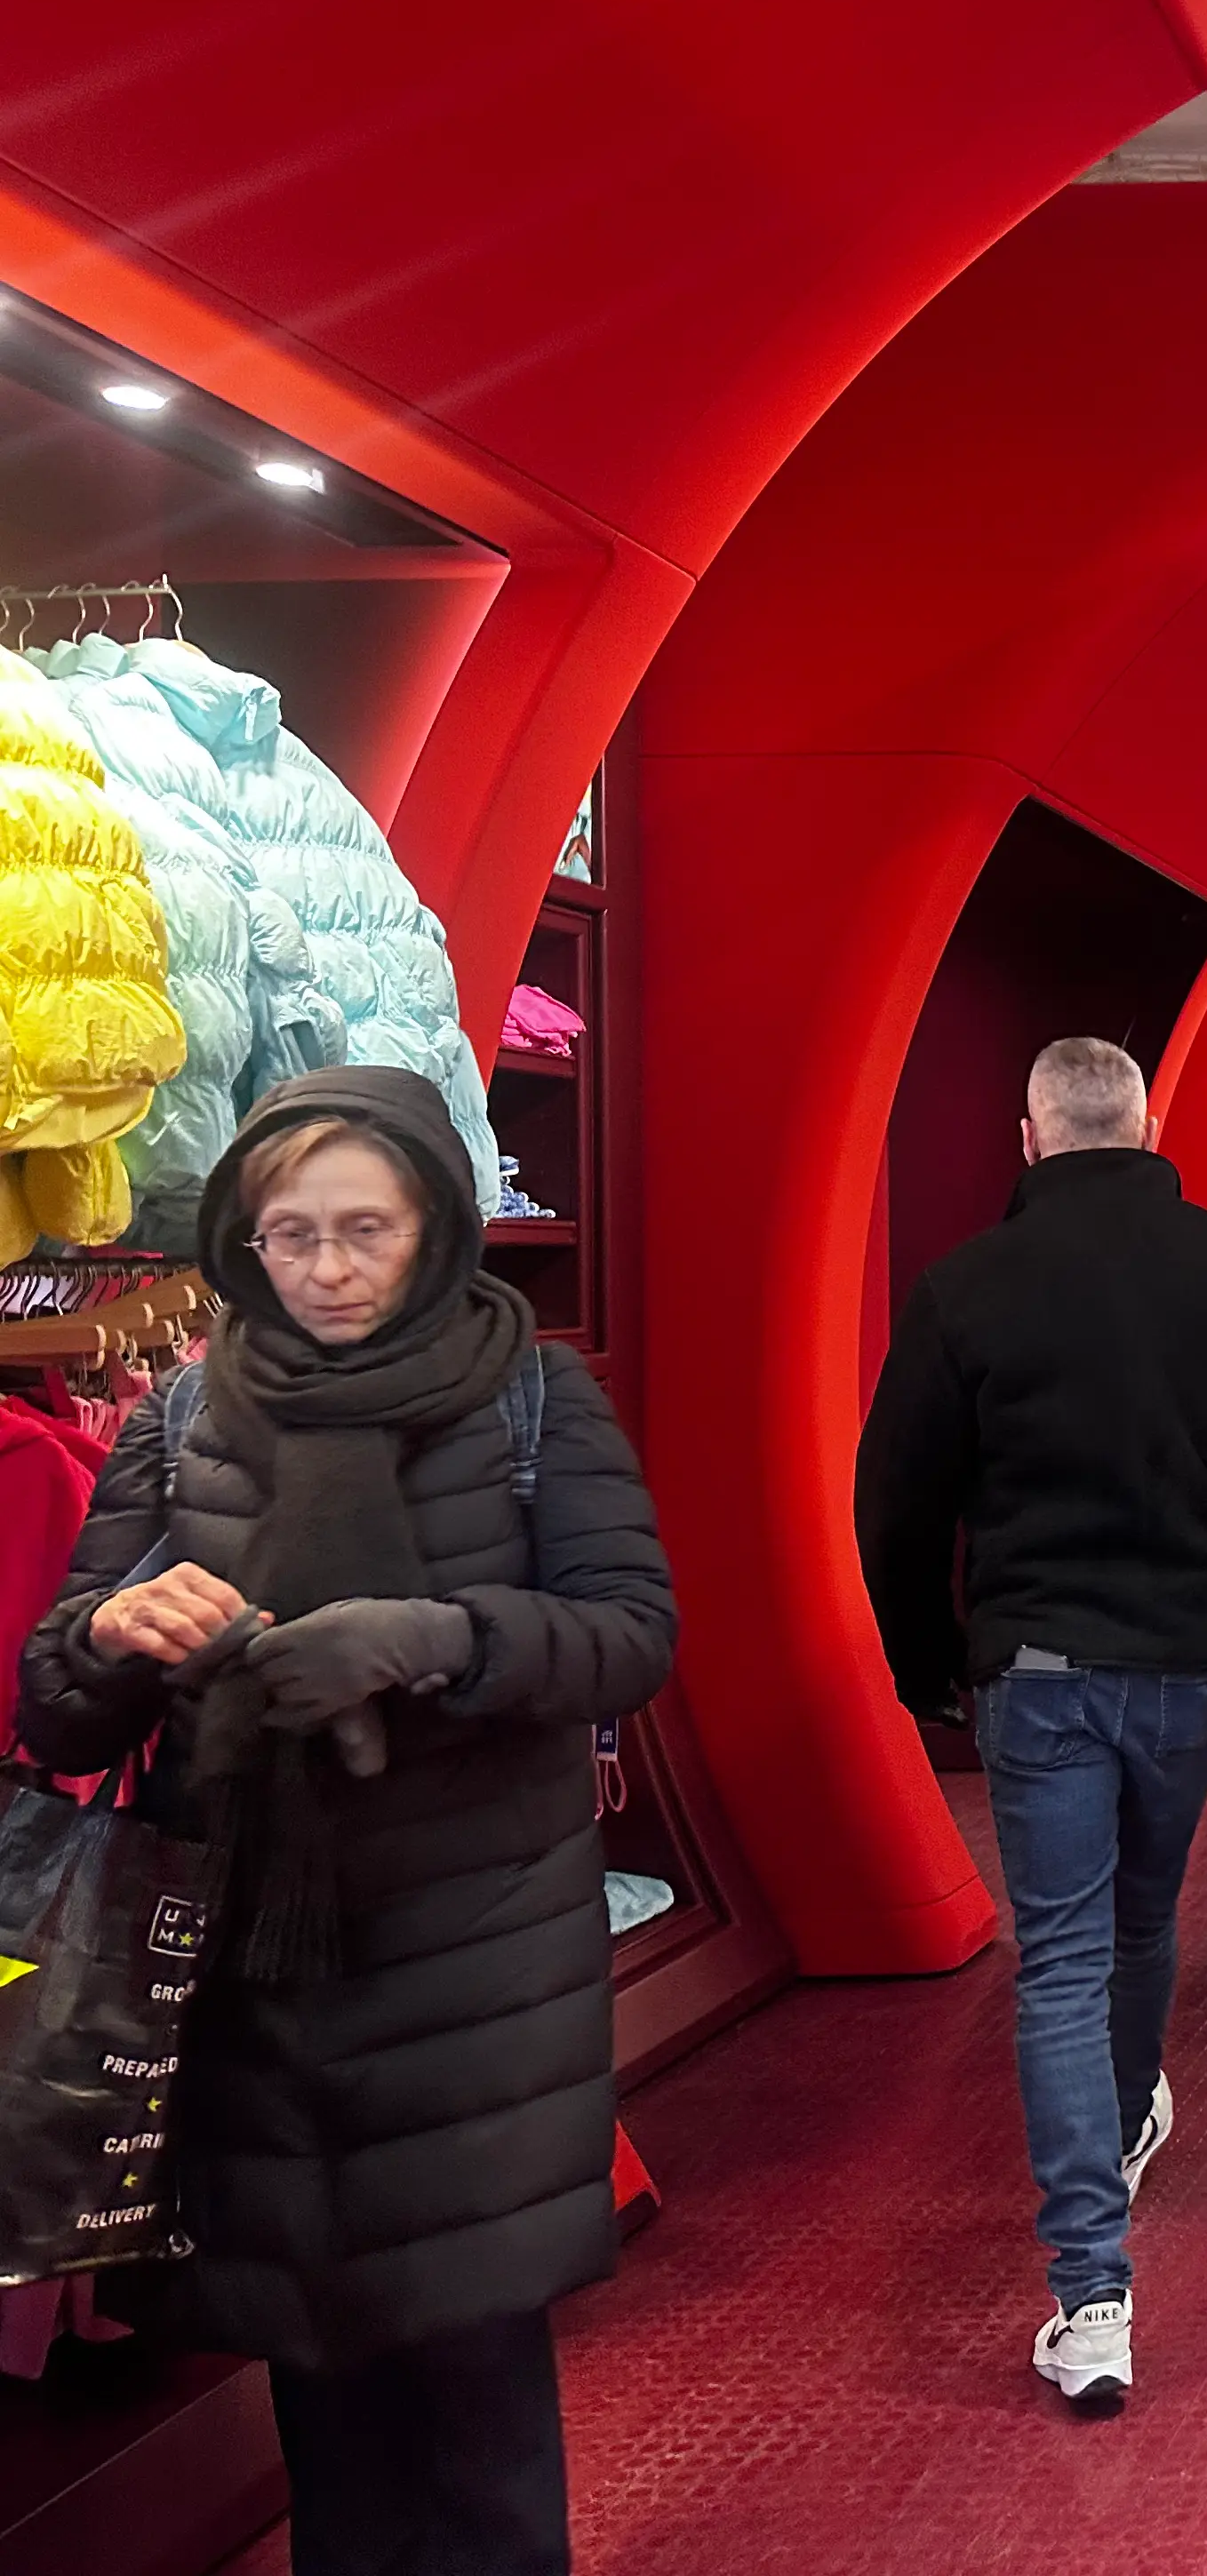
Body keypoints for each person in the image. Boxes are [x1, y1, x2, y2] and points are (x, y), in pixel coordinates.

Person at [17, 1068, 676, 2575]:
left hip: (473, 1978)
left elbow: (629, 1631)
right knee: (319, 2395)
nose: (323, 1267)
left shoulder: (530, 1394)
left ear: (436, 1223)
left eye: (362, 1229)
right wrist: (113, 1631)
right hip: (253, 1982)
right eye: (290, 1230)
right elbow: (58, 1707)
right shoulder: (184, 1412)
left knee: (477, 2398)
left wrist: (433, 1635)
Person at [854, 1038, 1207, 2409]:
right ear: (1149, 1127)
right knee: (1141, 1929)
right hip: (1188, 1659)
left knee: (1062, 1961)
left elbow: (895, 1496)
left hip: (1034, 1664)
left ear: (1028, 1140)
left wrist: (925, 1663)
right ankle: (1127, 2111)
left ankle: (1093, 2292)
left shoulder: (964, 1288)